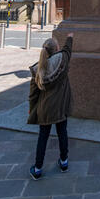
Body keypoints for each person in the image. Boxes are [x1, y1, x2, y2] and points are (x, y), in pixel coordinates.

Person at [27, 33, 74, 180]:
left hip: (45, 109)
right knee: (62, 133)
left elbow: (33, 95)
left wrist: (31, 108)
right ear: (56, 49)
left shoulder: (37, 70)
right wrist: (70, 38)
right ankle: (64, 162)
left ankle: (38, 168)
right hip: (60, 106)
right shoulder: (63, 61)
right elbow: (67, 50)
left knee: (43, 137)